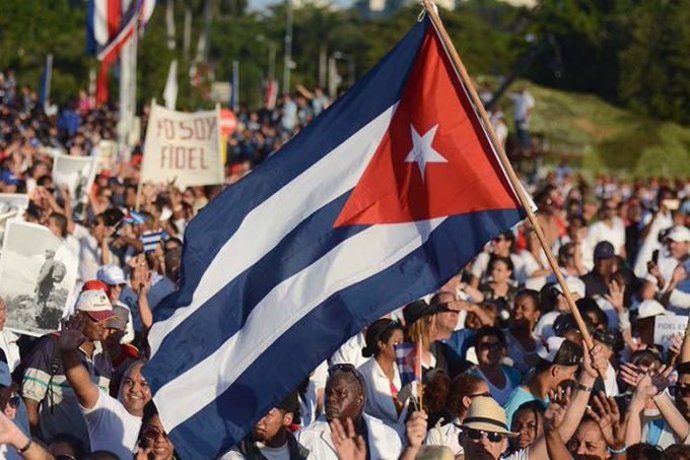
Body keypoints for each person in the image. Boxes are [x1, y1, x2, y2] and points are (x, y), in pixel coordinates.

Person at [21, 289, 115, 448]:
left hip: (89, 451)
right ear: (79, 315)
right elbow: (30, 405)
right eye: (97, 318)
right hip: (53, 450)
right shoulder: (51, 346)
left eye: (106, 318)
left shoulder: (104, 356)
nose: (104, 324)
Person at [58, 312, 150, 459]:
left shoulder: (161, 426)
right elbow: (83, 385)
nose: (135, 389)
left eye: (144, 384)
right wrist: (68, 354)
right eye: (128, 382)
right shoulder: (106, 411)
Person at [298, 364, 421, 459]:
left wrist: (412, 448)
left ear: (359, 399)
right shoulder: (305, 439)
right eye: (329, 393)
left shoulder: (387, 436)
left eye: (341, 394)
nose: (331, 399)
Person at [356, 319, 408, 435]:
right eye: (396, 343)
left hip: (402, 440)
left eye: (402, 341)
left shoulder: (403, 370)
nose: (401, 347)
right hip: (376, 441)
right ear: (381, 344)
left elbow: (399, 408)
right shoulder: (363, 375)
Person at [222, 392, 309, 460]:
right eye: (255, 413)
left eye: (267, 414)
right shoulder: (233, 456)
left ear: (287, 419)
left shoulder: (306, 455)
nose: (258, 421)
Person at [424, 374, 489, 456]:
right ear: (467, 401)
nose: (491, 400)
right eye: (486, 395)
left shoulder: (493, 436)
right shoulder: (438, 436)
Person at [467, 327, 521, 405]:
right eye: (485, 346)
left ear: (502, 350)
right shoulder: (469, 379)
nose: (491, 350)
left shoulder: (514, 375)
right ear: (476, 351)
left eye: (496, 346)